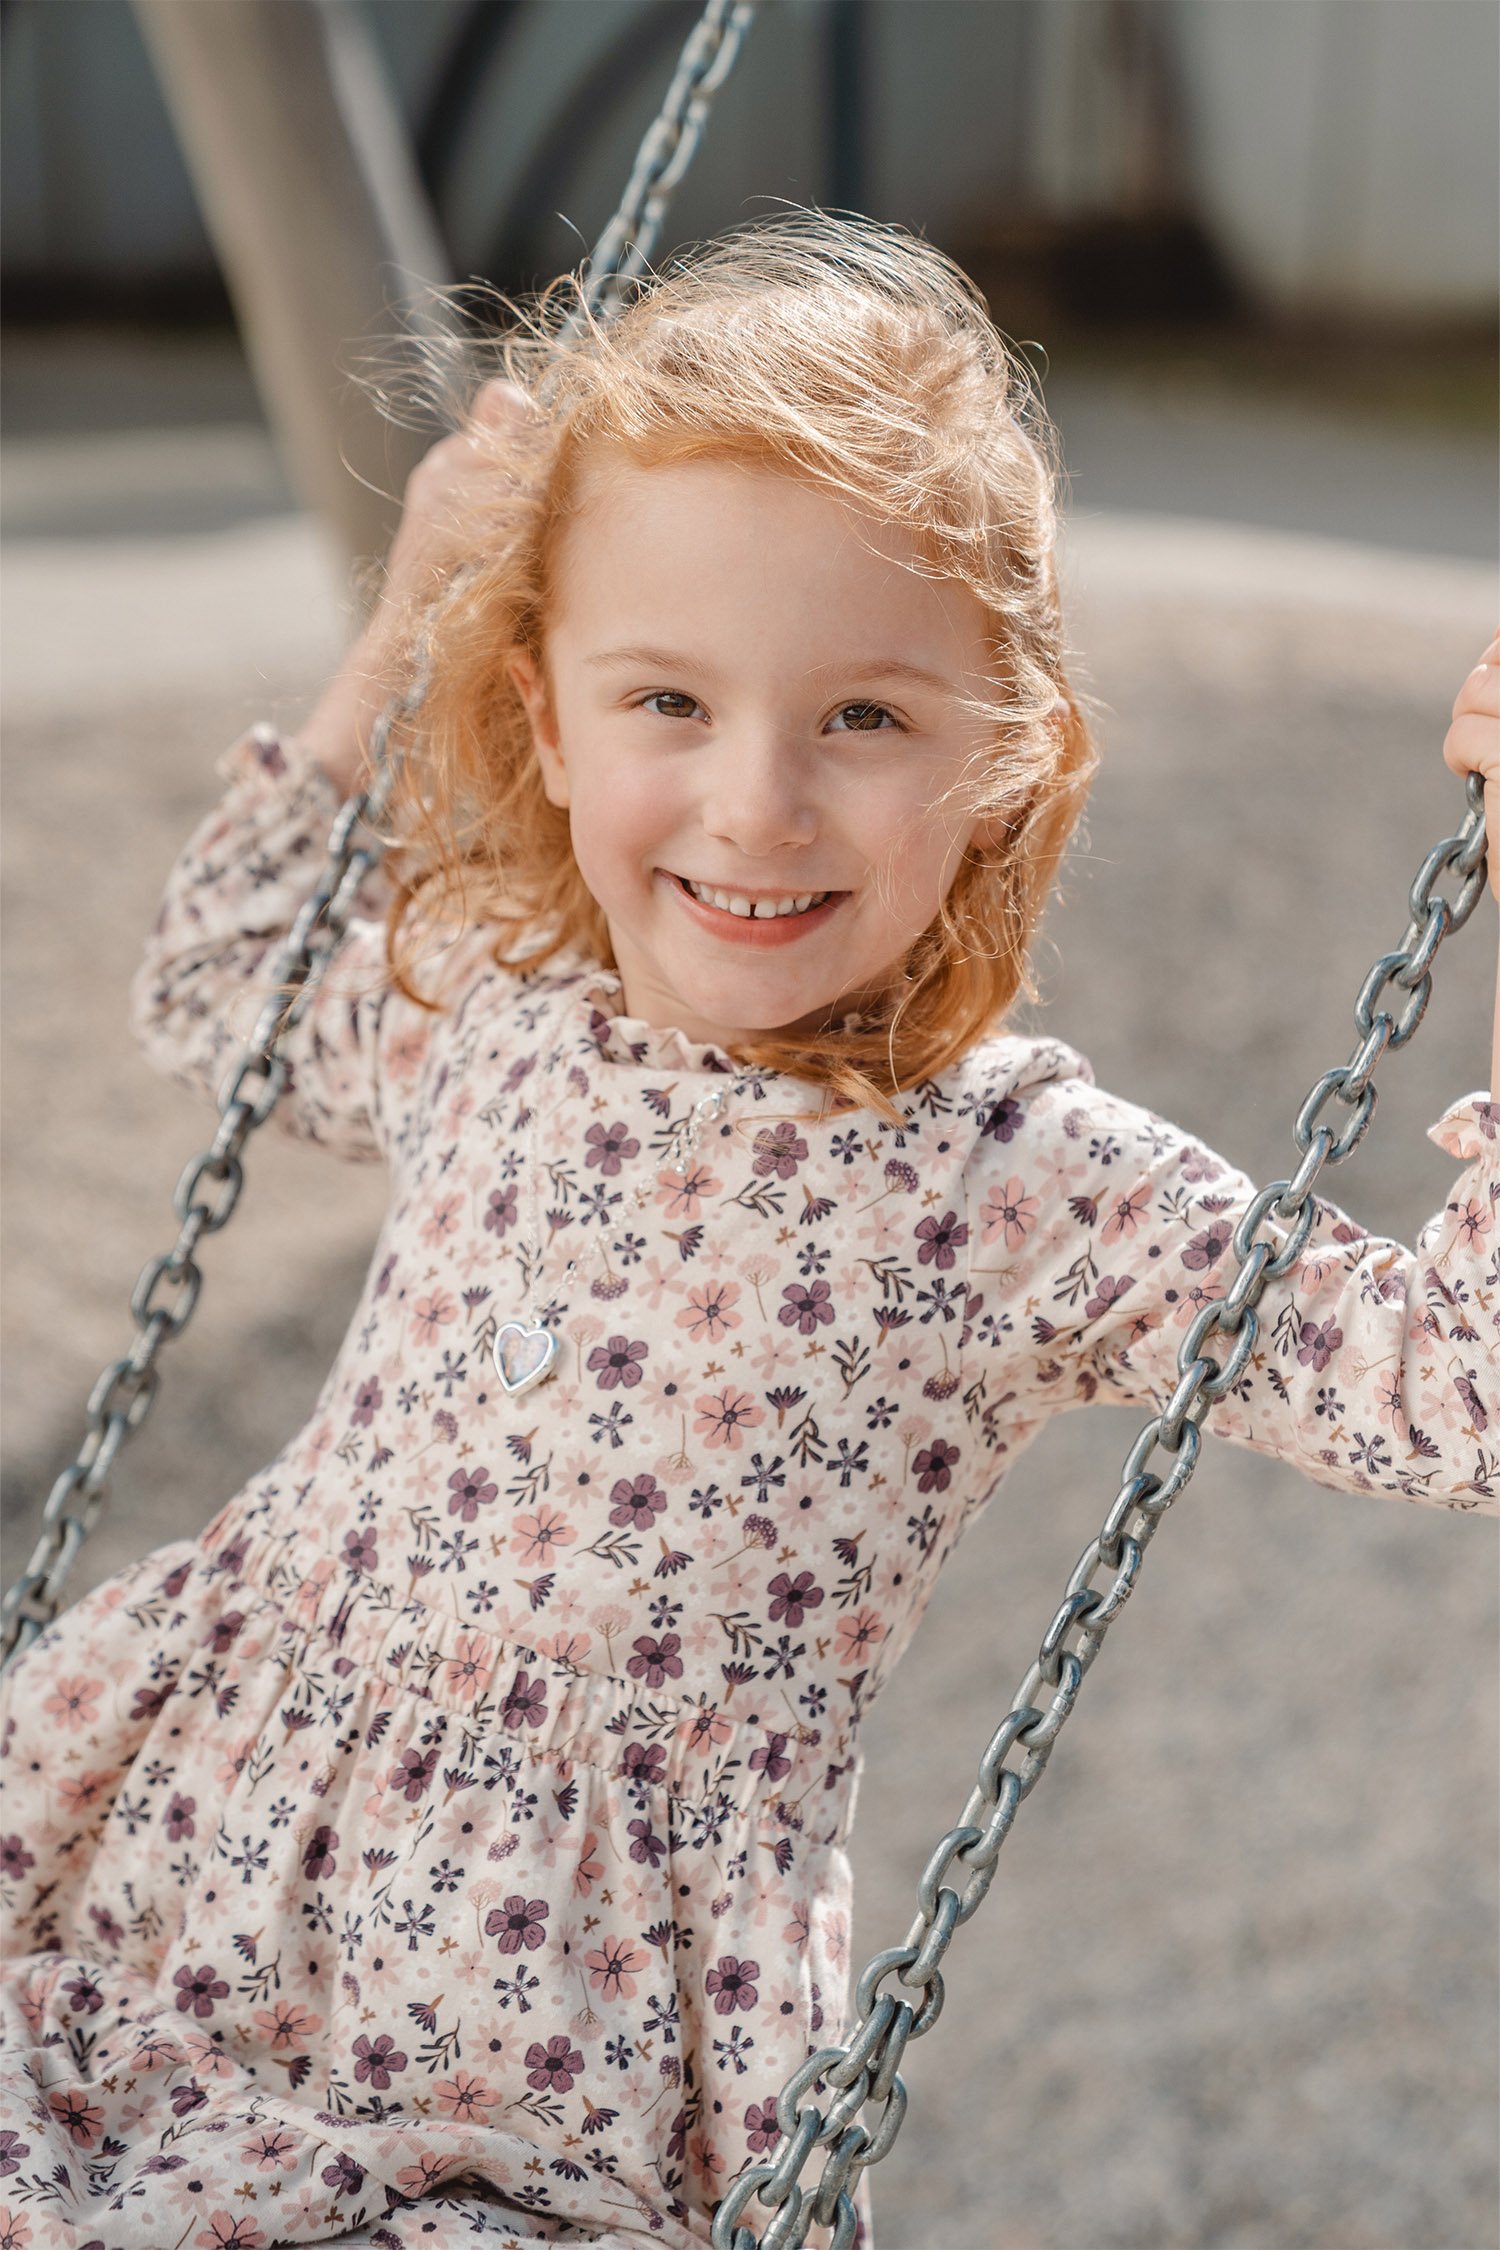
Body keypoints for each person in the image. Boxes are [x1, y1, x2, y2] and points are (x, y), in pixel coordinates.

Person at [1, 217, 1495, 2250]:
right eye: (667, 702)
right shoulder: (499, 1013)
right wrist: (412, 605)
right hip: (182, 1880)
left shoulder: (1017, 1185)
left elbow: (1450, 1389)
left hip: (548, 2064)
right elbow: (223, 973)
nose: (756, 803)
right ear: (548, 725)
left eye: (865, 719)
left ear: (1006, 754)